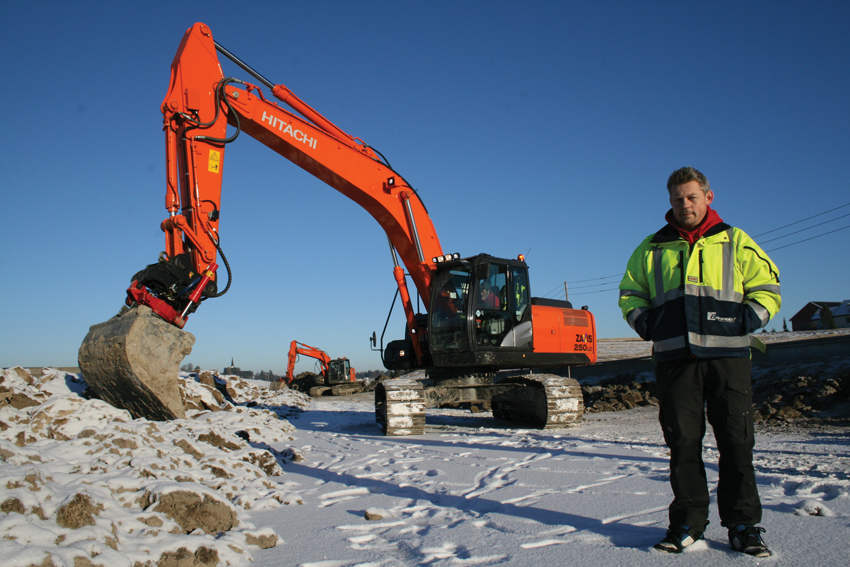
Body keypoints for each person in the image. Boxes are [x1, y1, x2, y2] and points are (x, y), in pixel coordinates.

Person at [618, 166, 781, 557]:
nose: (684, 205)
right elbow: (630, 293)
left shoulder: (735, 241)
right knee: (683, 444)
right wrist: (647, 323)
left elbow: (768, 286)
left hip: (728, 359)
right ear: (670, 202)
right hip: (676, 360)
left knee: (737, 444)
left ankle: (743, 525)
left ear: (708, 196)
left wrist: (745, 320)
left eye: (691, 197)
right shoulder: (652, 247)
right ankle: (687, 524)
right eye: (677, 199)